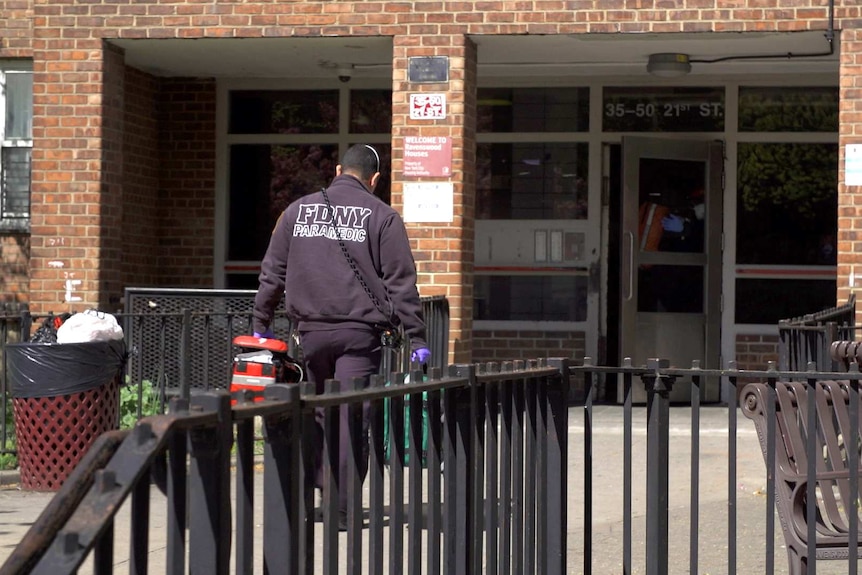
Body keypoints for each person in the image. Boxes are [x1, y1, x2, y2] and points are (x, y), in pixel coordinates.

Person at [252, 143, 430, 527]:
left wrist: (260, 323)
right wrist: (417, 337)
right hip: (358, 336)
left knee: (314, 413)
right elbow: (401, 283)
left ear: (336, 170)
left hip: (309, 333)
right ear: (375, 179)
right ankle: (341, 506)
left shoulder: (296, 211)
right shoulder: (383, 216)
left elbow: (272, 273)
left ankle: (309, 491)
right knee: (350, 416)